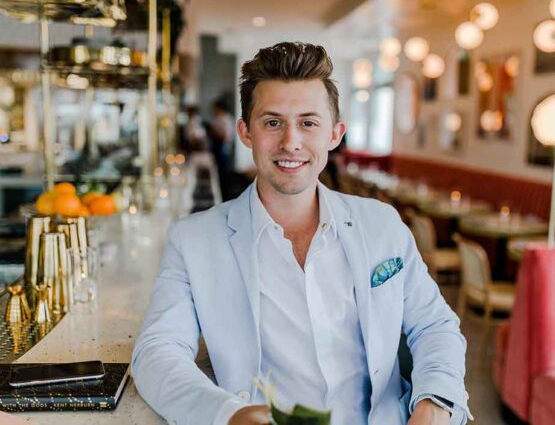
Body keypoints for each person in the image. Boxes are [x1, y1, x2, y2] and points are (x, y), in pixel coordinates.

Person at [132, 42, 472, 425]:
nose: (291, 142)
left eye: (308, 123)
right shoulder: (194, 240)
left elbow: (434, 325)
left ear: (334, 134)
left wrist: (434, 404)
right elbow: (156, 352)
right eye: (272, 122)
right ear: (246, 132)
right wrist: (228, 415)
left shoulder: (382, 224)